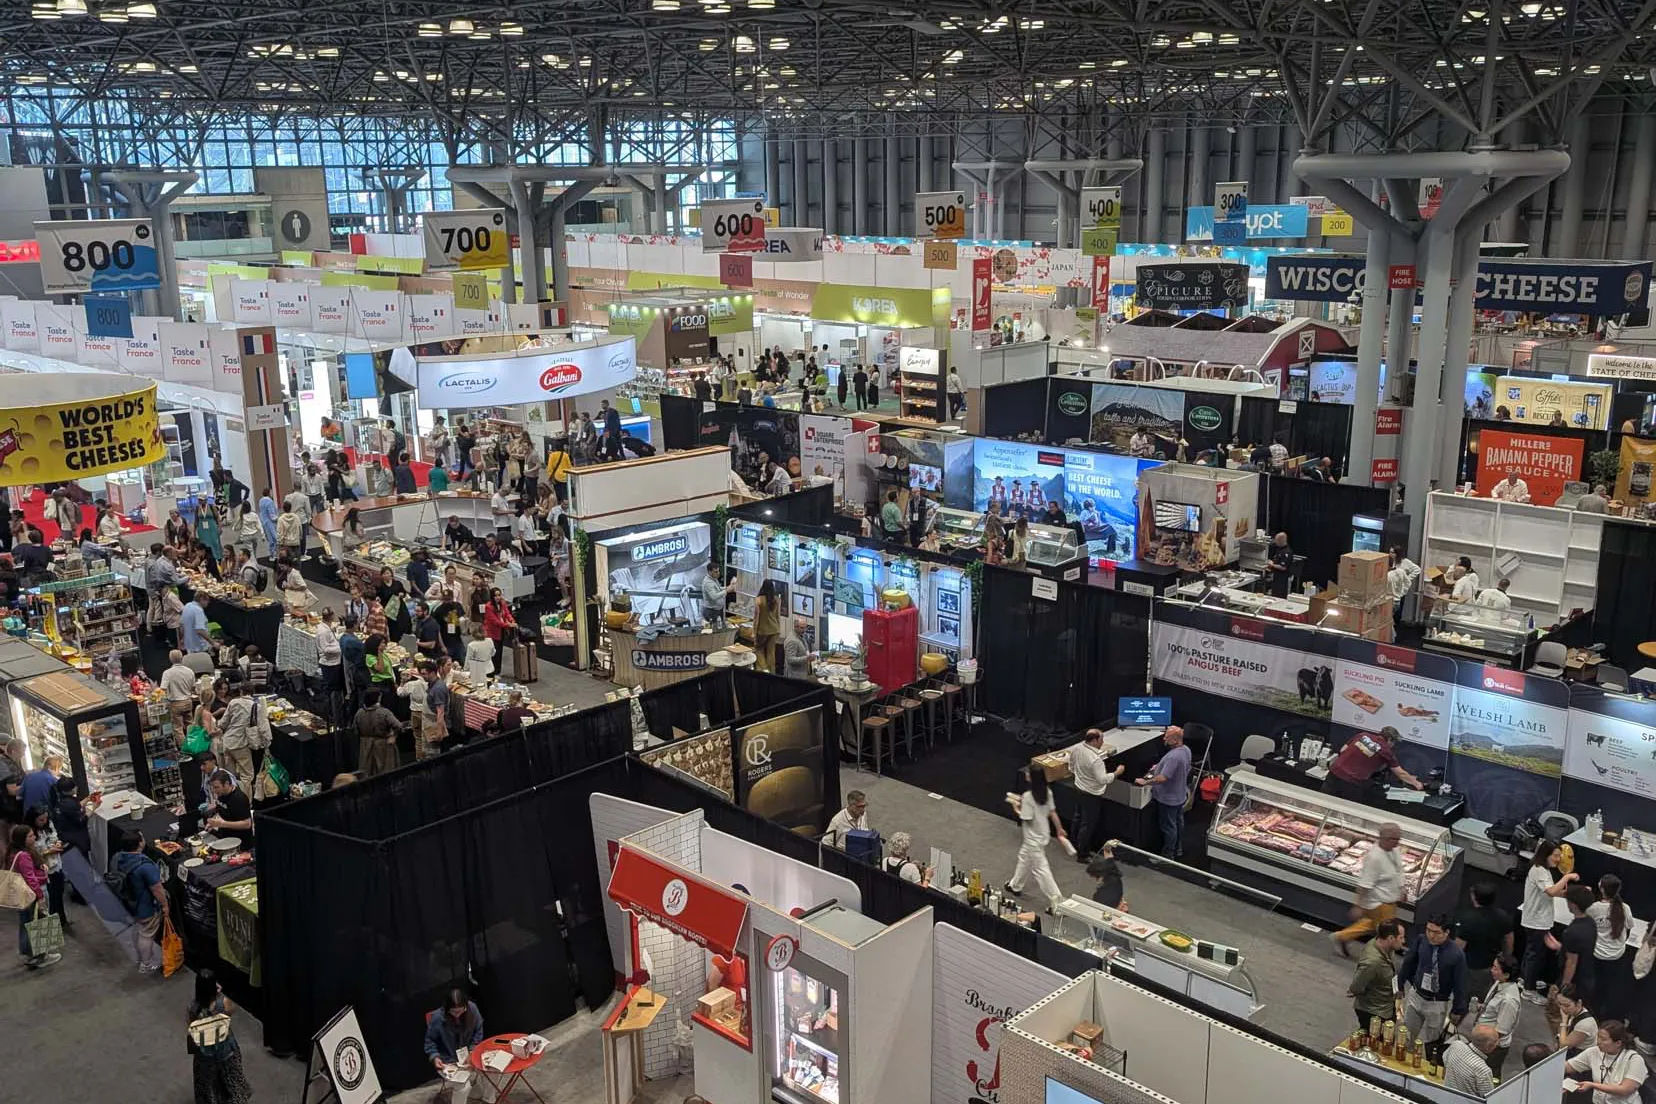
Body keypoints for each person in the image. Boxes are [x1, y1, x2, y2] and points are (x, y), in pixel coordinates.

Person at [1333, 822, 1405, 955]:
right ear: (1385, 838)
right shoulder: (1374, 858)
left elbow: (1398, 870)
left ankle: (1342, 937)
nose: (1398, 842)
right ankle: (1384, 958)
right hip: (1379, 903)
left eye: (1399, 839)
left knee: (1371, 924)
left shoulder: (1394, 850)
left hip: (1389, 901)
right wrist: (1358, 906)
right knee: (1390, 933)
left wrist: (1402, 888)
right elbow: (1364, 884)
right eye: (1395, 839)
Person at [1004, 763, 1067, 911]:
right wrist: (1059, 829)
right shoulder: (1048, 792)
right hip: (1042, 834)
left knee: (1041, 871)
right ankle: (1015, 885)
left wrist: (1015, 807)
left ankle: (1058, 903)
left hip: (1032, 837)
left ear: (1031, 778)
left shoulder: (1028, 797)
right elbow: (1053, 812)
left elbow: (1026, 818)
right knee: (1024, 858)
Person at [1399, 913, 1468, 1046]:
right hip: (1416, 996)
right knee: (1406, 1036)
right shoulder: (1421, 940)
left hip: (1437, 1003)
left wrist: (1457, 1009)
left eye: (1436, 932)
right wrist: (1400, 984)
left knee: (1432, 1042)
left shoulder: (1456, 954)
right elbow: (1408, 963)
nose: (1431, 935)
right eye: (1428, 930)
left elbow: (1459, 983)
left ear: (1447, 932)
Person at [1520, 839, 1576, 1002]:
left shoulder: (1544, 871)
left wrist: (1573, 893)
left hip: (1538, 919)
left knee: (1532, 953)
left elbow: (1553, 892)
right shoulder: (1539, 871)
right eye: (1555, 856)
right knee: (1534, 956)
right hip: (1535, 920)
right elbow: (1551, 891)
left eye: (1559, 856)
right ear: (1546, 854)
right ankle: (1528, 990)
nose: (1558, 859)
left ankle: (1526, 980)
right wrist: (1567, 878)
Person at [189, 968, 253, 1104]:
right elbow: (231, 1012)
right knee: (231, 1080)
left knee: (209, 1083)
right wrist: (219, 994)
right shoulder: (223, 1003)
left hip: (204, 1054)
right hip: (225, 1050)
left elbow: (191, 1026)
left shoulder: (193, 1007)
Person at [1066, 728, 1126, 863]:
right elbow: (1103, 779)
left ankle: (1074, 843)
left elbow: (1071, 767)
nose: (1102, 742)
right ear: (1094, 740)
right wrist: (1117, 772)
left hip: (1078, 788)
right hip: (1091, 795)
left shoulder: (1076, 748)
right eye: (1101, 739)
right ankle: (1082, 854)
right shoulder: (1095, 760)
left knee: (1078, 817)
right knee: (1087, 824)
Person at [113, 828, 167, 973]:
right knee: (146, 935)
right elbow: (157, 889)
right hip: (146, 907)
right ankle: (146, 965)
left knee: (139, 929)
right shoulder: (145, 866)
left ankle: (141, 958)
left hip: (129, 903)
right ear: (140, 844)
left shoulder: (118, 857)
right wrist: (165, 905)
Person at [1135, 724, 1193, 859]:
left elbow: (1162, 778)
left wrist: (1146, 782)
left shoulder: (1173, 757)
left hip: (1168, 799)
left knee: (1169, 827)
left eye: (1167, 738)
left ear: (1175, 740)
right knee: (1178, 823)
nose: (1164, 740)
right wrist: (1160, 766)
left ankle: (1167, 856)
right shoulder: (1186, 750)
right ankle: (1178, 849)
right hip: (1179, 795)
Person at [1322, 726, 1422, 802]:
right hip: (1351, 783)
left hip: (1334, 773)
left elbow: (1343, 750)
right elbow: (1401, 774)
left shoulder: (1362, 735)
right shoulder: (1386, 750)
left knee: (1323, 802)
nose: (1393, 745)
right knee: (1347, 811)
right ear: (1390, 739)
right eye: (1394, 742)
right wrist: (1416, 783)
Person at [8, 822, 58, 968]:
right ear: (22, 839)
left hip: (21, 895)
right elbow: (30, 878)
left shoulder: (13, 853)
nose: (34, 837)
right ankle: (41, 955)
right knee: (39, 921)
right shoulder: (24, 856)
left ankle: (29, 954)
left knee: (26, 924)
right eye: (30, 836)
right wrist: (40, 895)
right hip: (31, 894)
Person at [1564, 1022, 1648, 1104]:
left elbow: (1625, 1090)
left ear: (1618, 1043)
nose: (1598, 1042)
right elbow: (1568, 1067)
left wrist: (1592, 1085)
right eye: (1598, 1037)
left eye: (1603, 1039)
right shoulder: (1593, 1052)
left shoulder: (1634, 1059)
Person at [1464, 953, 1521, 1074]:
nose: (1492, 970)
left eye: (1496, 968)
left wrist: (1481, 1043)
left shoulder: (1509, 1000)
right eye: (1493, 966)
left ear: (1506, 974)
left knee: (1485, 1076)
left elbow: (1500, 1031)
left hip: (1492, 1046)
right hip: (1482, 1038)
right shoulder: (1499, 983)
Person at [1455, 881, 1514, 997]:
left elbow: (1458, 948)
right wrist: (1506, 957)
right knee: (1487, 998)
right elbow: (1509, 939)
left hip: (1472, 966)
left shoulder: (1468, 919)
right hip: (1493, 965)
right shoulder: (1503, 916)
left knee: (1466, 998)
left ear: (1475, 897)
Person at [1348, 917, 1406, 1033]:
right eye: (1401, 938)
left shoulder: (1386, 947)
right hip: (1374, 1012)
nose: (1404, 941)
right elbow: (1356, 987)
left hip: (1387, 1006)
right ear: (1390, 938)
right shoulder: (1372, 962)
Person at [425, 987, 486, 1095]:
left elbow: (478, 1031)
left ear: (466, 1006)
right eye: (453, 1012)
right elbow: (430, 1041)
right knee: (463, 1088)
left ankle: (489, 1100)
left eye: (461, 1011)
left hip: (469, 1053)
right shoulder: (438, 1018)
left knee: (492, 1072)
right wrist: (435, 1057)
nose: (457, 1015)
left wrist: (472, 1051)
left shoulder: (472, 1009)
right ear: (447, 1008)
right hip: (448, 1059)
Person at [1588, 874, 1631, 1019]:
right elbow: (1630, 926)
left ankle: (1593, 1014)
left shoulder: (1594, 908)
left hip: (1597, 954)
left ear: (1601, 889)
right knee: (1612, 988)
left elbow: (1587, 924)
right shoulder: (1625, 908)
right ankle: (1608, 1018)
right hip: (1617, 955)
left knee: (1596, 987)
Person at [1552, 884, 1602, 1006]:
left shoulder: (1572, 932)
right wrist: (1562, 947)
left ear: (1573, 904)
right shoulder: (1591, 923)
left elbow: (1571, 963)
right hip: (1587, 976)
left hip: (1576, 983)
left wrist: (1563, 990)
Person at [216, 688, 270, 792]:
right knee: (247, 776)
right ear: (253, 693)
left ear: (241, 692)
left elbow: (223, 723)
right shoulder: (257, 707)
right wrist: (267, 742)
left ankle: (231, 799)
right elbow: (264, 728)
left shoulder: (233, 702)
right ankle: (245, 803)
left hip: (227, 742)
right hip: (240, 745)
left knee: (231, 776)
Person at [353, 689, 404, 776]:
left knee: (367, 772)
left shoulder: (359, 713)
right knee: (386, 771)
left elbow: (355, 729)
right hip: (383, 746)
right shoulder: (384, 712)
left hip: (365, 746)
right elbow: (398, 726)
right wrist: (393, 736)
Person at [1442, 1026, 1498, 1099]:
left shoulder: (1456, 1045)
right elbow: (1489, 1098)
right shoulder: (1483, 1070)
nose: (1497, 1044)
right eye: (1496, 1042)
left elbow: (1445, 1060)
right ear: (1488, 1047)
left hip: (1445, 1097)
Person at [204, 770, 253, 849]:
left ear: (226, 784)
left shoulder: (239, 799)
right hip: (225, 836)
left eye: (216, 787)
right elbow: (222, 809)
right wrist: (213, 822)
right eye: (213, 787)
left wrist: (221, 824)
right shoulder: (221, 793)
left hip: (239, 842)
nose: (214, 790)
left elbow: (247, 824)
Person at [163, 649, 200, 738]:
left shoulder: (167, 673)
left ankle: (185, 749)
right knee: (190, 725)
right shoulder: (189, 671)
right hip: (188, 701)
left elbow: (162, 689)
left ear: (170, 659)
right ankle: (193, 745)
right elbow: (193, 687)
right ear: (182, 658)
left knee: (178, 728)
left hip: (175, 704)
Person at [1556, 984, 1599, 1057]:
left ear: (1579, 1003)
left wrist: (1564, 1021)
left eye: (1567, 1005)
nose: (1562, 1008)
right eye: (1560, 1004)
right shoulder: (1573, 1012)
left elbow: (1563, 1046)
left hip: (1581, 1058)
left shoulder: (1585, 1024)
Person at [481, 587, 515, 676]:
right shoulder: (488, 607)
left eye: (499, 595)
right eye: (495, 595)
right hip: (492, 633)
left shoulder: (502, 603)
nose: (498, 597)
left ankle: (498, 671)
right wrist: (508, 625)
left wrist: (512, 620)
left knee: (499, 652)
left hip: (501, 632)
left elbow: (507, 613)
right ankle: (492, 673)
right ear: (492, 596)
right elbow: (495, 621)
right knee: (494, 653)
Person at [750, 579, 783, 673]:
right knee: (771, 652)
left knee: (758, 649)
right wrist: (779, 628)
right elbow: (778, 616)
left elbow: (756, 618)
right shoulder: (776, 599)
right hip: (774, 629)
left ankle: (763, 671)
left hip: (762, 630)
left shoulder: (759, 600)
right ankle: (772, 672)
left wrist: (754, 632)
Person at [1087, 842, 1127, 910]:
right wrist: (1109, 844)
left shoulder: (1100, 897)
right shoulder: (1110, 866)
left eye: (1095, 877)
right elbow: (1108, 852)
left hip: (1110, 906)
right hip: (1117, 894)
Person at [782, 615, 812, 679]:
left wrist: (809, 655)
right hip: (795, 676)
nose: (804, 630)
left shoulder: (800, 635)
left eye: (805, 627)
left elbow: (805, 649)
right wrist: (807, 658)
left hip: (801, 673)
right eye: (802, 628)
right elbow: (790, 660)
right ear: (795, 627)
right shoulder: (792, 640)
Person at [1264, 531, 1293, 597]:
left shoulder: (1287, 552)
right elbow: (1276, 561)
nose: (1275, 542)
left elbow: (1283, 567)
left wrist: (1272, 565)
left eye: (1276, 541)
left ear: (1281, 541)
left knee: (1280, 595)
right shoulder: (1279, 549)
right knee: (1274, 594)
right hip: (1276, 577)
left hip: (1283, 579)